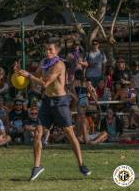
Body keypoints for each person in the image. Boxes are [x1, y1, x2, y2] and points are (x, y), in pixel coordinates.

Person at [17, 38, 91, 181]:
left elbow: (44, 82)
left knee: (70, 134)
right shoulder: (44, 62)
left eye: (50, 49)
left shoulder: (59, 65)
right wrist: (21, 73)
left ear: (57, 51)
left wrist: (29, 76)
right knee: (38, 132)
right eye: (46, 49)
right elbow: (36, 76)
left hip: (60, 102)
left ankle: (81, 165)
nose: (47, 52)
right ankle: (37, 166)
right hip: (46, 101)